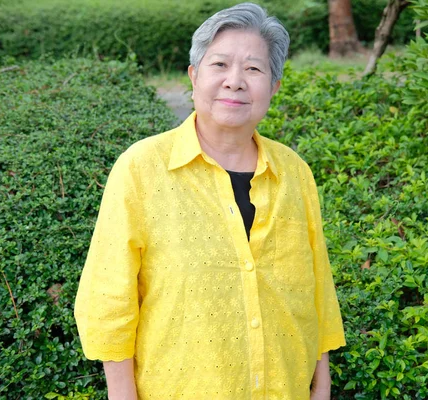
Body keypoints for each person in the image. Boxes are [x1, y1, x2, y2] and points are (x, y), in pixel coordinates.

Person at [74, 3, 345, 399]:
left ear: (274, 86)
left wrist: (322, 381)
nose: (235, 81)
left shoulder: (294, 172)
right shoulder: (142, 168)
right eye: (219, 65)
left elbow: (316, 287)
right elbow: (108, 297)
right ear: (194, 76)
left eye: (253, 69)